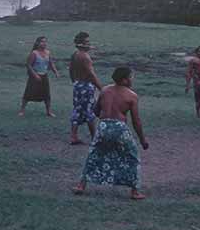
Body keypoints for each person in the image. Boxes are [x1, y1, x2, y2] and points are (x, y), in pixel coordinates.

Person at [72, 67, 149, 200]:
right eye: (131, 77)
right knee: (132, 156)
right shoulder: (132, 95)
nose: (132, 80)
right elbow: (136, 121)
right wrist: (142, 140)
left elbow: (95, 111)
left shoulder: (105, 90)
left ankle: (81, 185)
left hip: (103, 126)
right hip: (120, 128)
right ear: (124, 80)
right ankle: (135, 191)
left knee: (94, 154)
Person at [68, 32, 103, 144]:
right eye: (87, 42)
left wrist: (75, 82)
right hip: (86, 86)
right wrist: (101, 88)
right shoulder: (85, 57)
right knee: (89, 110)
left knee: (77, 109)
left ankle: (73, 136)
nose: (89, 44)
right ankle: (94, 137)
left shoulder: (75, 54)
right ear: (82, 44)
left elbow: (71, 70)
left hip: (77, 85)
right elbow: (91, 74)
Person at [19, 36, 60, 117]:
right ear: (37, 43)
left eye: (45, 42)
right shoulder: (34, 53)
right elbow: (29, 65)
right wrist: (35, 75)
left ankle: (48, 112)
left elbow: (51, 63)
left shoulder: (48, 52)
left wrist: (56, 72)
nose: (44, 43)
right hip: (34, 77)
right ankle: (22, 110)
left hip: (44, 76)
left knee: (47, 95)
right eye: (42, 42)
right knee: (28, 94)